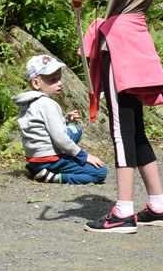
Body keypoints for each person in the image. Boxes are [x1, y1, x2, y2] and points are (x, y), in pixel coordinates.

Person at [68, 0, 163, 234]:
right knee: (135, 128)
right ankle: (158, 205)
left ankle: (123, 211)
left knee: (121, 130)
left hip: (121, 46)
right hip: (135, 42)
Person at [13, 55, 108, 184]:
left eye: (59, 78)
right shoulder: (48, 104)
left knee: (75, 130)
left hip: (35, 158)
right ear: (36, 83)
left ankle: (34, 169)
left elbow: (42, 127)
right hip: (50, 160)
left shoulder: (29, 102)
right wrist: (83, 156)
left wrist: (65, 120)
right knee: (100, 172)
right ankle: (55, 177)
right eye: (53, 80)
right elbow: (60, 139)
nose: (59, 83)